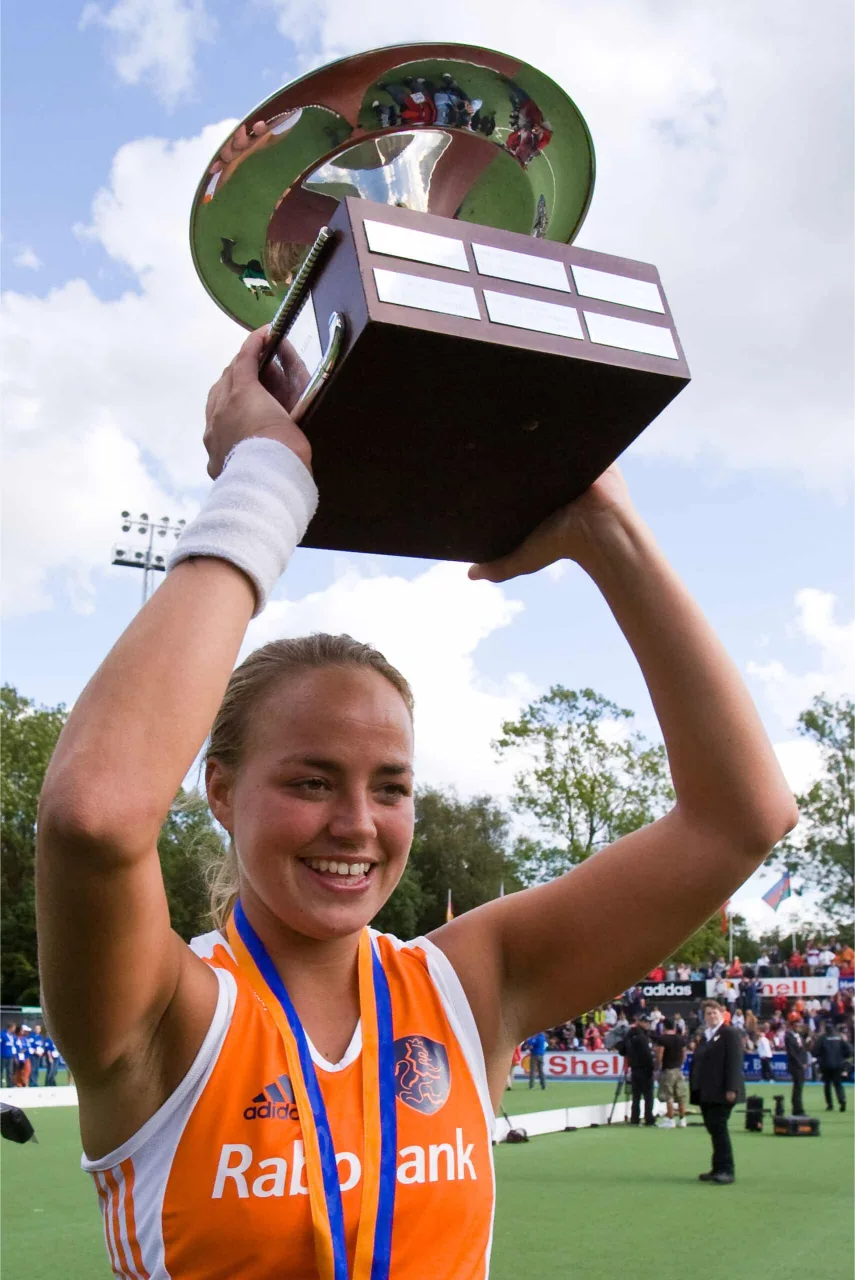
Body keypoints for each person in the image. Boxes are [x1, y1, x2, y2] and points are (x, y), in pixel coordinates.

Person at [35, 326, 797, 1277]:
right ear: (219, 791)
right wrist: (266, 480)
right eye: (310, 781)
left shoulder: (469, 984)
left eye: (389, 787)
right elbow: (94, 817)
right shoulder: (163, 1012)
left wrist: (605, 529)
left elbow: (742, 817)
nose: (356, 823)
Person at [690, 1000, 745, 1184]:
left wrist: (732, 1088)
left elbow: (734, 1062)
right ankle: (717, 1168)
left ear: (722, 1014)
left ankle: (727, 1170)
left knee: (719, 1128)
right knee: (713, 1129)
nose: (711, 1016)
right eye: (708, 1013)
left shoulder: (728, 1033)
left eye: (714, 1013)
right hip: (707, 1091)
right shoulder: (706, 1036)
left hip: (722, 1091)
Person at [654, 1017, 688, 1128]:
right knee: (680, 1095)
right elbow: (684, 1054)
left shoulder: (663, 1039)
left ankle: (670, 1119)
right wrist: (680, 1063)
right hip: (678, 1069)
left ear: (664, 1026)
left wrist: (658, 1067)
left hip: (668, 1070)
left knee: (669, 1095)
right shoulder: (680, 1038)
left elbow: (660, 1055)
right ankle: (682, 1119)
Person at [624, 1016, 656, 1127]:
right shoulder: (642, 1037)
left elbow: (624, 1049)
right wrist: (652, 1068)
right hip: (644, 1069)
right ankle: (649, 1119)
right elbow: (647, 1055)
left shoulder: (630, 1035)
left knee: (636, 1096)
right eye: (646, 1022)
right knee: (648, 1096)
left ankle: (635, 1118)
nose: (648, 1024)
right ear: (641, 1022)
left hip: (634, 1069)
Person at [813, 1024, 851, 1112]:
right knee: (838, 1084)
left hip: (826, 1065)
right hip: (838, 1064)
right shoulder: (839, 1037)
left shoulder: (822, 1038)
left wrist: (820, 1057)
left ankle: (830, 1104)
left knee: (827, 1085)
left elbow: (814, 1051)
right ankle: (842, 1100)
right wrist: (842, 1057)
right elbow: (848, 1050)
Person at [784, 1021, 809, 1115]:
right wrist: (800, 1064)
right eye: (796, 1025)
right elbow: (792, 1053)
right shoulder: (789, 1037)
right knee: (798, 1087)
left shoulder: (799, 1036)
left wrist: (805, 1062)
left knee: (799, 1087)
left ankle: (797, 1108)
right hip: (795, 1066)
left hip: (800, 1065)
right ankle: (798, 1109)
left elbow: (803, 1050)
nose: (798, 1027)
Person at [0, 1023, 15, 1088]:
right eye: (13, 1027)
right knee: (1, 1070)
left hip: (10, 1056)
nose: (14, 1029)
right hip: (3, 1055)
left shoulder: (12, 1036)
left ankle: (9, 1084)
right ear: (10, 1028)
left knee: (10, 1071)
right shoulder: (2, 1035)